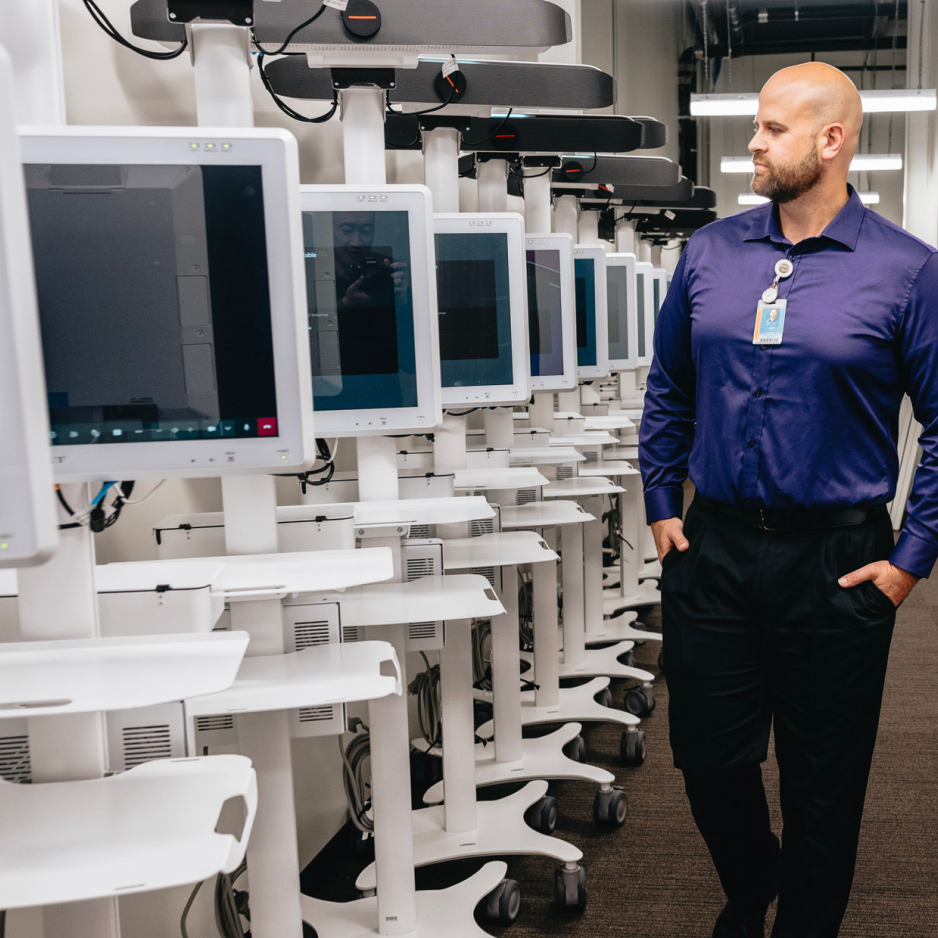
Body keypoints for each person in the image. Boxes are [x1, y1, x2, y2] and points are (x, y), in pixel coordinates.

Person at [638, 62, 938, 938]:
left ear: (831, 139)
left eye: (772, 128)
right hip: (715, 548)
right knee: (706, 762)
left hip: (839, 562)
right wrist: (662, 503)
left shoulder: (907, 271)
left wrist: (909, 561)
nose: (753, 143)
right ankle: (753, 880)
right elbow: (670, 389)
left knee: (824, 783)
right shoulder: (711, 254)